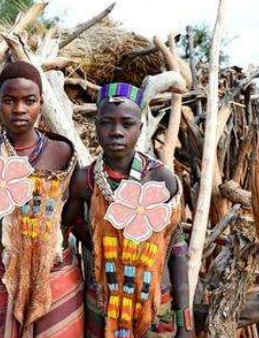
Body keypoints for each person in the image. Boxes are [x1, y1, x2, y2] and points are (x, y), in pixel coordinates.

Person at [0, 61, 84, 338]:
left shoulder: (61, 151)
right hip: (8, 274)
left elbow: (73, 217)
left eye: (29, 101)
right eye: (9, 100)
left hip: (57, 273)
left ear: (41, 103)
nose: (19, 109)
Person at [63, 82, 194, 338]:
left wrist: (185, 322)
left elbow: (177, 250)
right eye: (107, 123)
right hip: (103, 305)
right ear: (96, 127)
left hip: (154, 304)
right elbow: (66, 227)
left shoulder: (161, 180)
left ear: (141, 128)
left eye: (127, 123)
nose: (116, 132)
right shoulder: (85, 180)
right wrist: (103, 243)